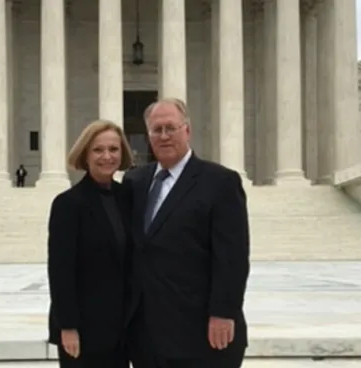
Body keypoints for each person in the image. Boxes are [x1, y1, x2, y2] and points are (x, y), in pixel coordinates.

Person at [122, 98, 250, 368]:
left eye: (171, 128)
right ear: (148, 135)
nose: (164, 136)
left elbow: (232, 257)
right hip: (147, 335)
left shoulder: (220, 182)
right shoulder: (135, 181)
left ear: (187, 131)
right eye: (157, 130)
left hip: (202, 332)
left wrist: (223, 313)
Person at [47, 120, 134, 368]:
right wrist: (68, 327)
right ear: (85, 154)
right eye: (98, 150)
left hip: (121, 330)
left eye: (114, 149)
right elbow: (60, 270)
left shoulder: (128, 197)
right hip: (83, 330)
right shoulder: (68, 204)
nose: (107, 156)